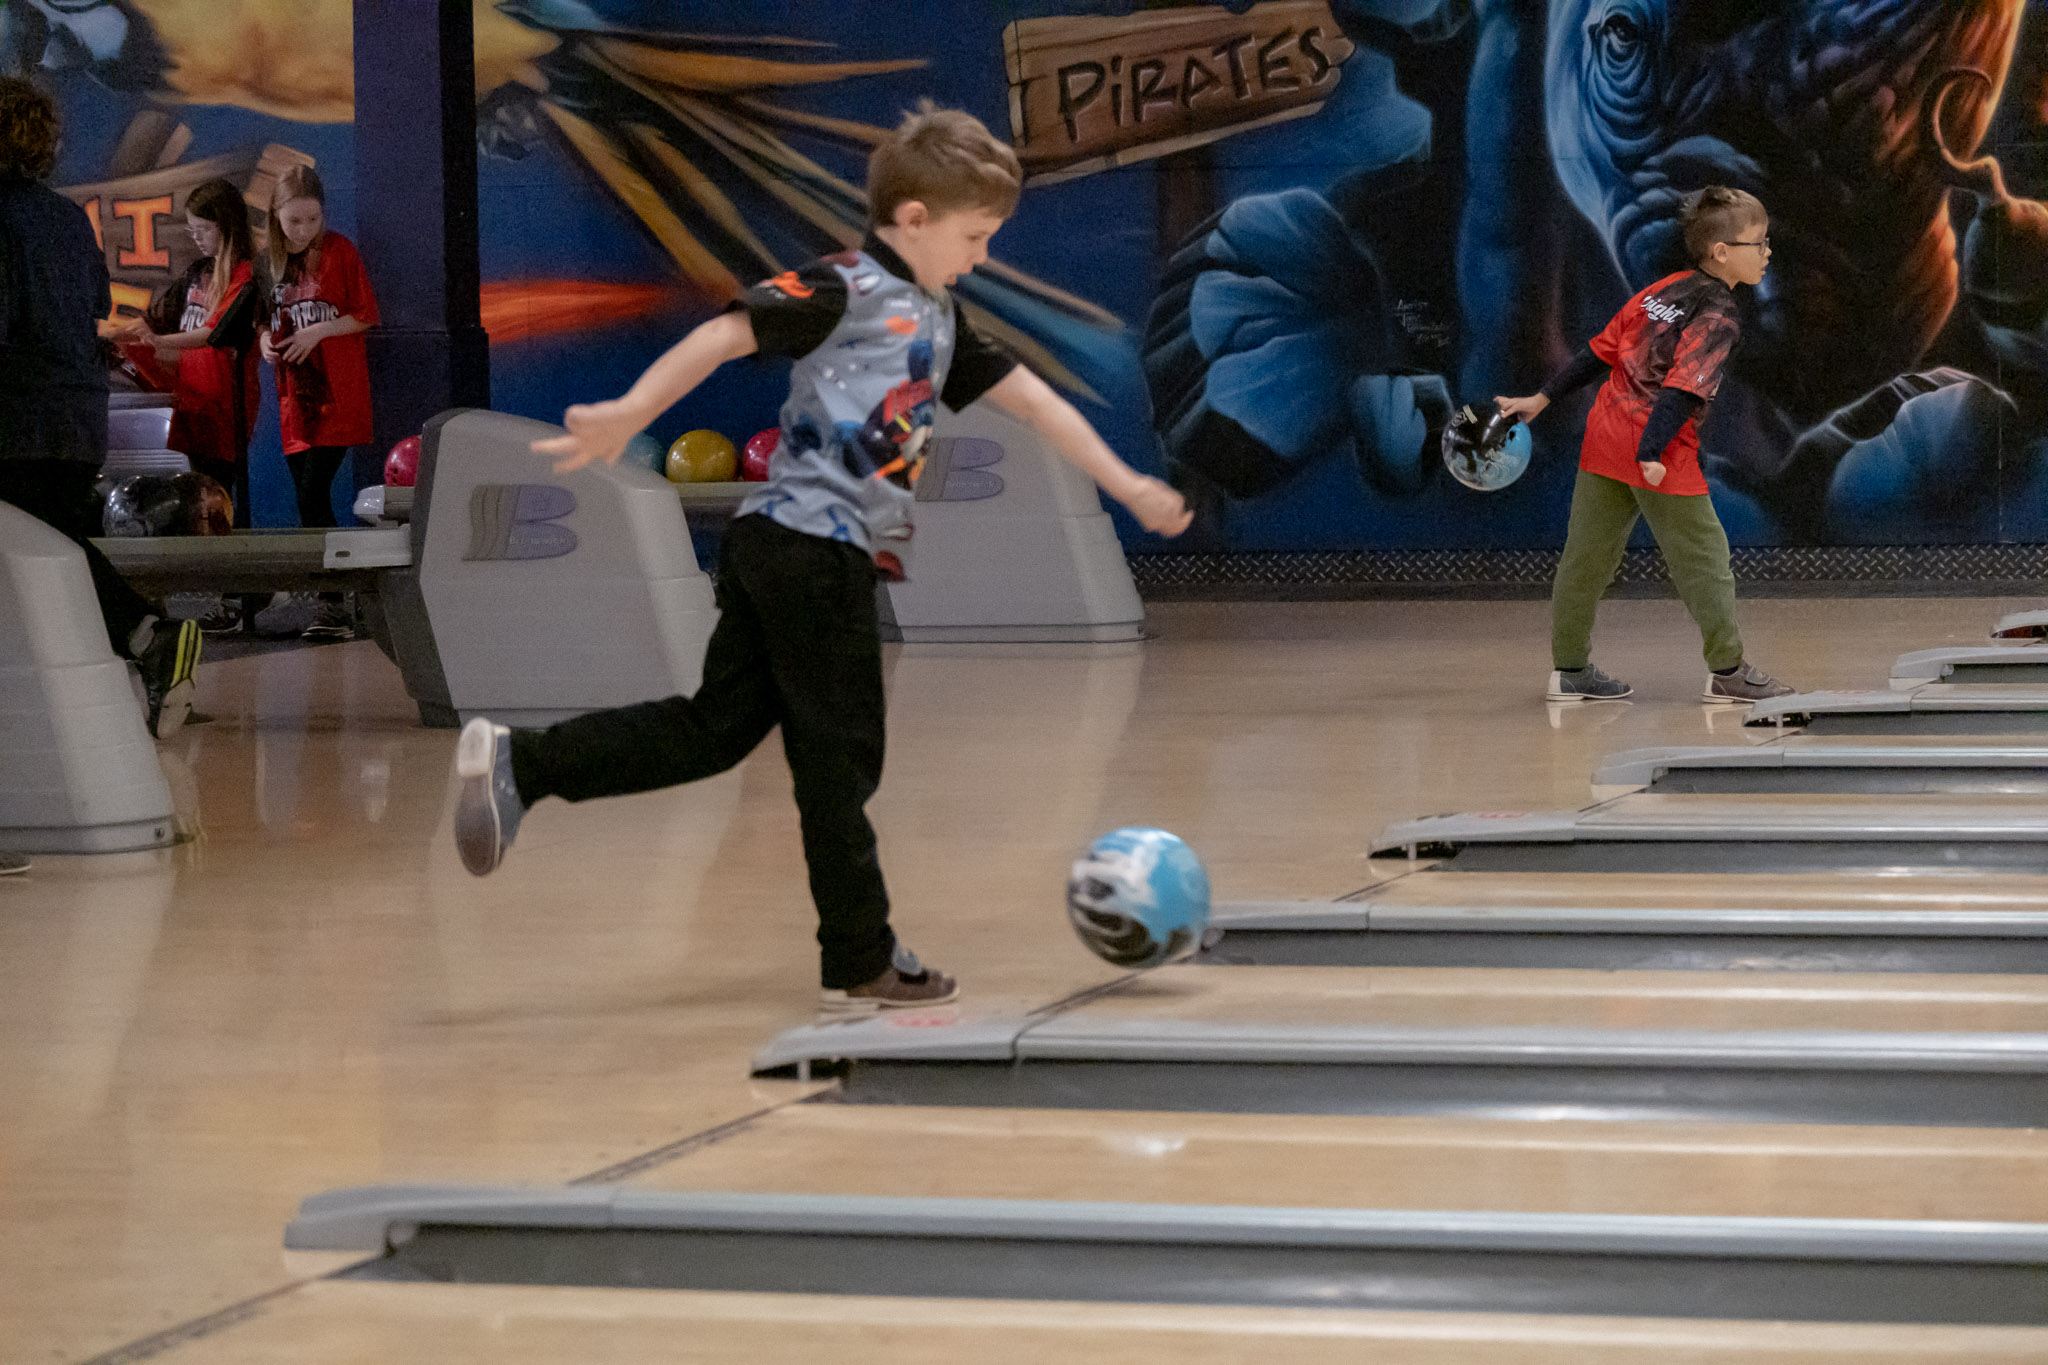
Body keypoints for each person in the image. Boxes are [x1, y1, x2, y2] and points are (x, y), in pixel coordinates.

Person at [452, 102, 1192, 1015]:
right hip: (813, 551)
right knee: (839, 763)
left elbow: (1038, 404)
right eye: (974, 236)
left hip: (785, 549)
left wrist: (1130, 483)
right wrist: (631, 412)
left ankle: (523, 764)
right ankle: (860, 956)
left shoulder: (940, 318)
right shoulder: (847, 287)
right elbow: (727, 332)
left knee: (714, 732)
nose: (981, 256)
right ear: (912, 219)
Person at [1495, 185, 1796, 705]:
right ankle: (1728, 673)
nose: (1768, 252)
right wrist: (1652, 453)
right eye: (1759, 242)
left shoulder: (1662, 290)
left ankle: (1570, 671)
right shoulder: (1719, 315)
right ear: (1722, 252)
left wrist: (1542, 398)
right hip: (1657, 450)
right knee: (1706, 560)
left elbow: (1599, 351)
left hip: (1604, 437)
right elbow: (1681, 389)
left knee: (1585, 561)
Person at [0, 74, 200, 737]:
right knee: (52, 544)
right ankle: (138, 643)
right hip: (77, 414)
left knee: (44, 546)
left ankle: (149, 634)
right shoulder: (65, 217)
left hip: (16, 417)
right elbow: (92, 307)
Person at [118, 178, 263, 631]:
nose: (196, 237)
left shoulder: (247, 276)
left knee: (217, 500)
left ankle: (229, 595)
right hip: (192, 400)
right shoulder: (198, 272)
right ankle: (217, 593)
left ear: (227, 226)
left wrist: (160, 342)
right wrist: (117, 338)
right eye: (192, 229)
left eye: (203, 229)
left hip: (226, 403)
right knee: (199, 500)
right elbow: (155, 321)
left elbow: (214, 334)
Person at [258, 164, 376, 639]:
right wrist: (264, 341)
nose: (304, 230)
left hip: (337, 395)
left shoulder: (340, 252)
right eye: (294, 221)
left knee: (313, 491)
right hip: (295, 400)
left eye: (313, 219)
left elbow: (365, 314)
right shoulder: (269, 264)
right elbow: (262, 321)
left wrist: (319, 331)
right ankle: (328, 597)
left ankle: (333, 603)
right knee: (307, 498)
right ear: (276, 216)